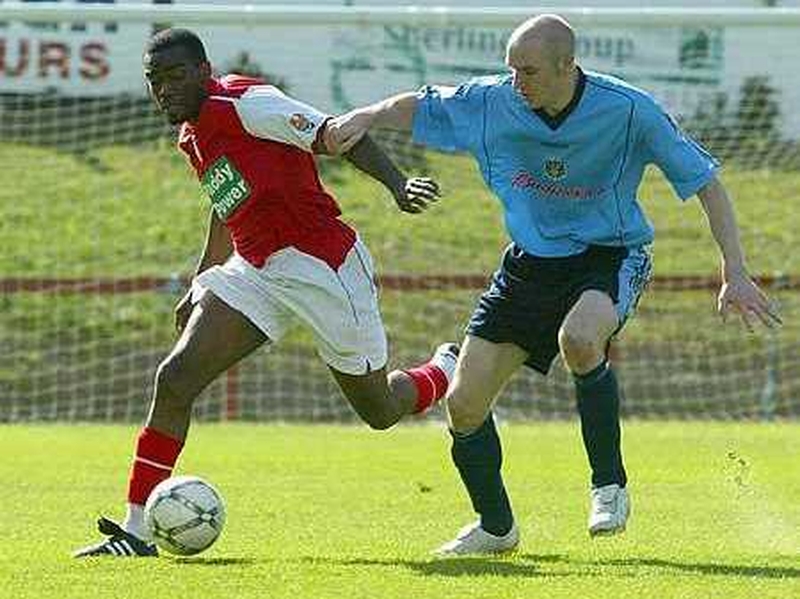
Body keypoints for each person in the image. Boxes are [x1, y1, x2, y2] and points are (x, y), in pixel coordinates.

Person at [326, 14, 782, 556]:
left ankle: (609, 485)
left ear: (569, 66)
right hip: (527, 266)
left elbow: (706, 181)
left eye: (530, 71)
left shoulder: (628, 109)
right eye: (512, 69)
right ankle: (496, 529)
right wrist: (364, 115)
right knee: (464, 404)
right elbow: (420, 104)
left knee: (581, 338)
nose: (518, 81)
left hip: (608, 255)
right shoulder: (494, 101)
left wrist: (735, 269)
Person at [74, 27, 458, 558]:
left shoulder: (248, 104)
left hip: (322, 267)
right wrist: (202, 279)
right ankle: (136, 529)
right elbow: (225, 201)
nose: (164, 90)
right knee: (176, 377)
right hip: (255, 269)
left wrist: (397, 184)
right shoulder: (191, 134)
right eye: (154, 81)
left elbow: (337, 133)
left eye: (175, 76)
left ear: (204, 72)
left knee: (381, 410)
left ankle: (443, 370)